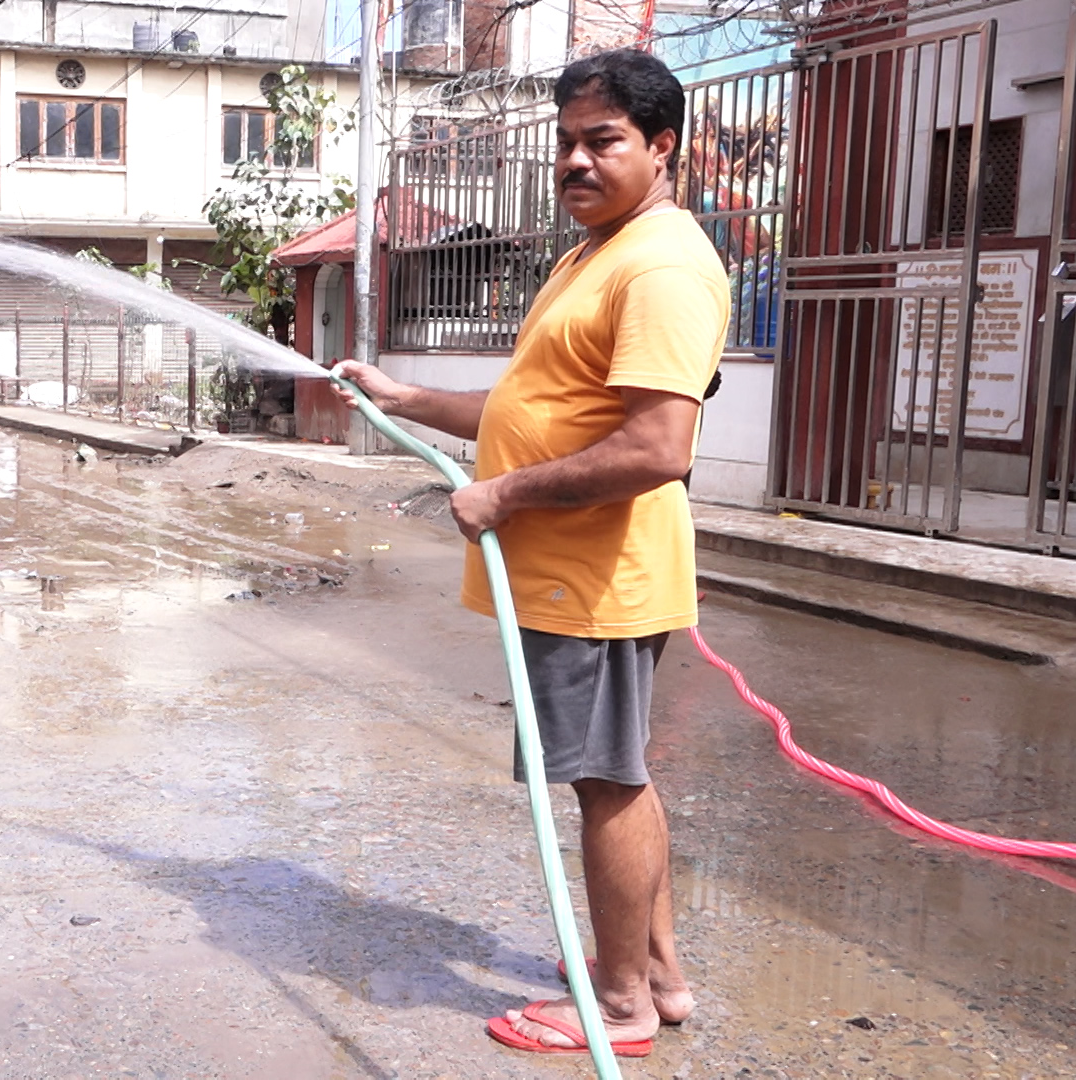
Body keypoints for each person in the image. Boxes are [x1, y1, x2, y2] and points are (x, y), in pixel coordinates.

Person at [334, 48, 728, 1059]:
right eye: (565, 143)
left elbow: (656, 446)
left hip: (597, 577)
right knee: (620, 771)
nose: (576, 162)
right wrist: (408, 399)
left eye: (602, 141)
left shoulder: (663, 266)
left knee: (606, 782)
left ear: (662, 147)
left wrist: (503, 492)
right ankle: (658, 977)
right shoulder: (591, 254)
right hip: (569, 572)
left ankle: (625, 1005)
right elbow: (532, 405)